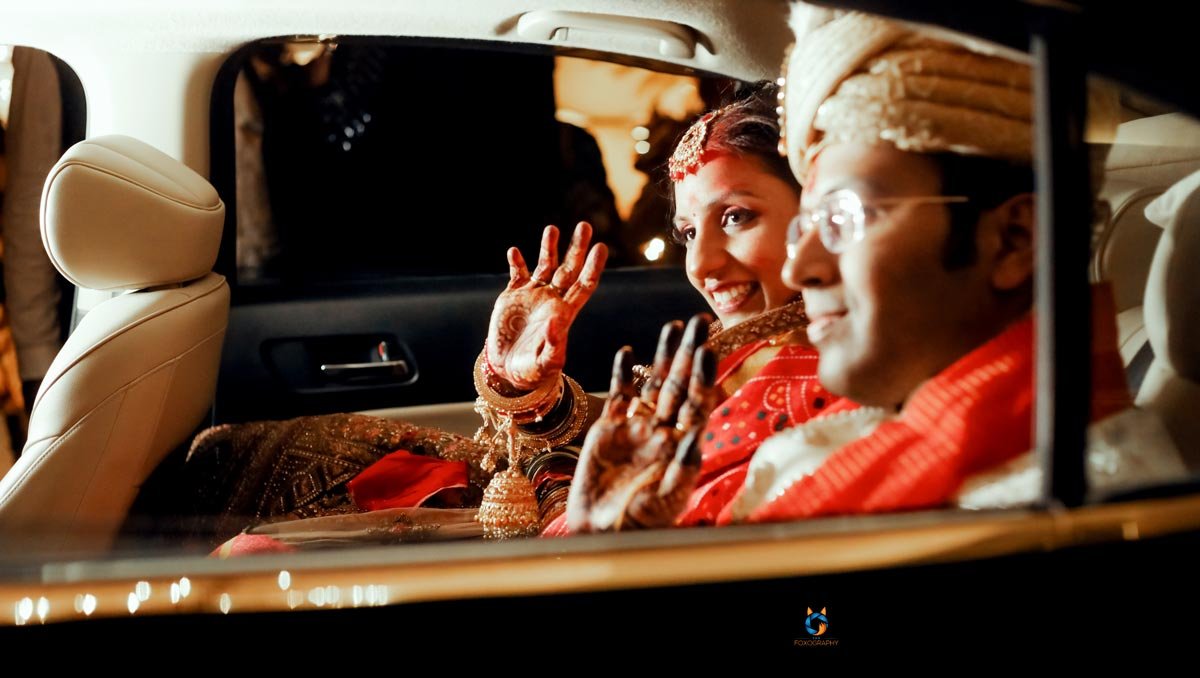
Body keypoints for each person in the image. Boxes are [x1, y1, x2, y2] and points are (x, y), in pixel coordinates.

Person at [564, 7, 1185, 532]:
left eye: (845, 216)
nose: (803, 268)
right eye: (809, 225)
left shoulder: (1047, 509)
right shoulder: (878, 450)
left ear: (1014, 239)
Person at [475, 82, 841, 532]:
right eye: (689, 233)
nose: (700, 264)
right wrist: (527, 389)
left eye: (735, 216)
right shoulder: (738, 349)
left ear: (818, 211)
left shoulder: (837, 369)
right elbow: (640, 440)